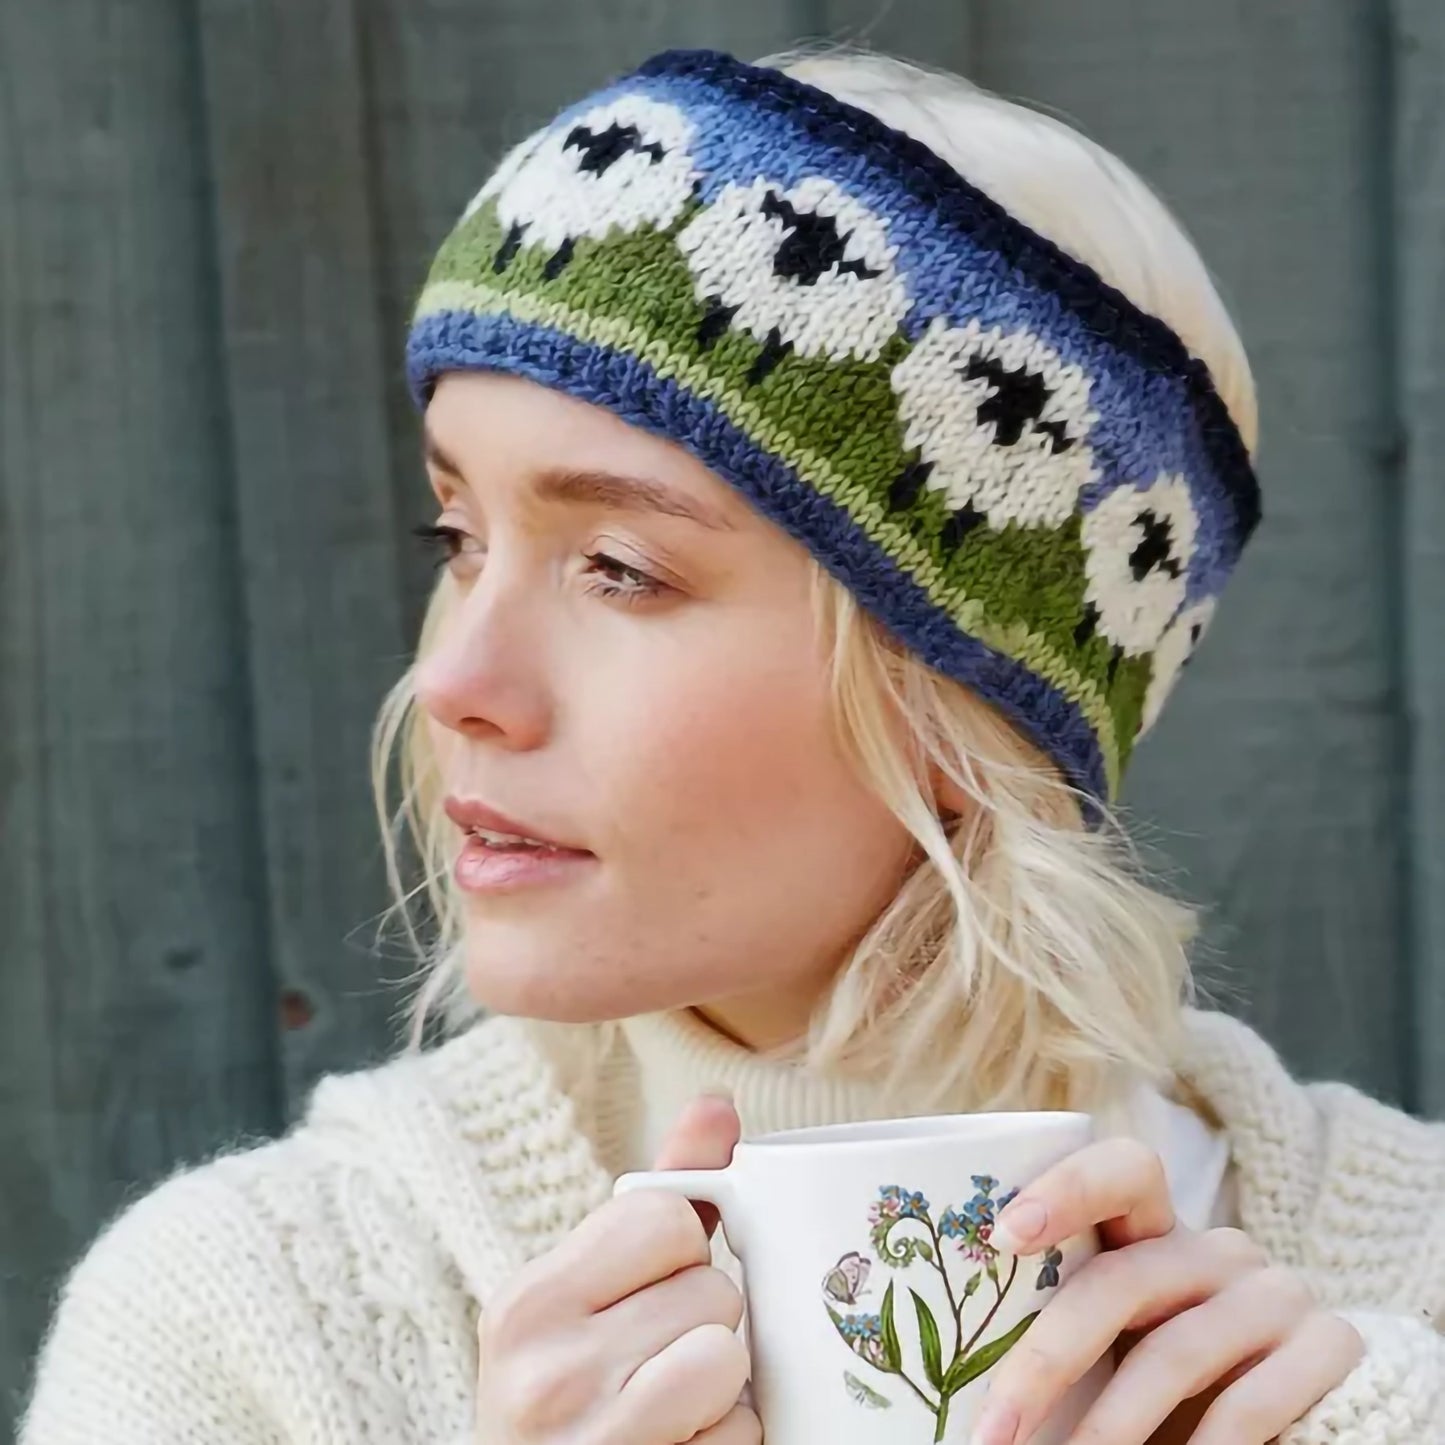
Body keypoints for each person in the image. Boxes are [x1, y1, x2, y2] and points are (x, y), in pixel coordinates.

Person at [19, 44, 1445, 1445]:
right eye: (456, 537)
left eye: (619, 568)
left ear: (962, 699)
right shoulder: (249, 1324)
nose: (455, 678)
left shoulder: (1401, 1287)